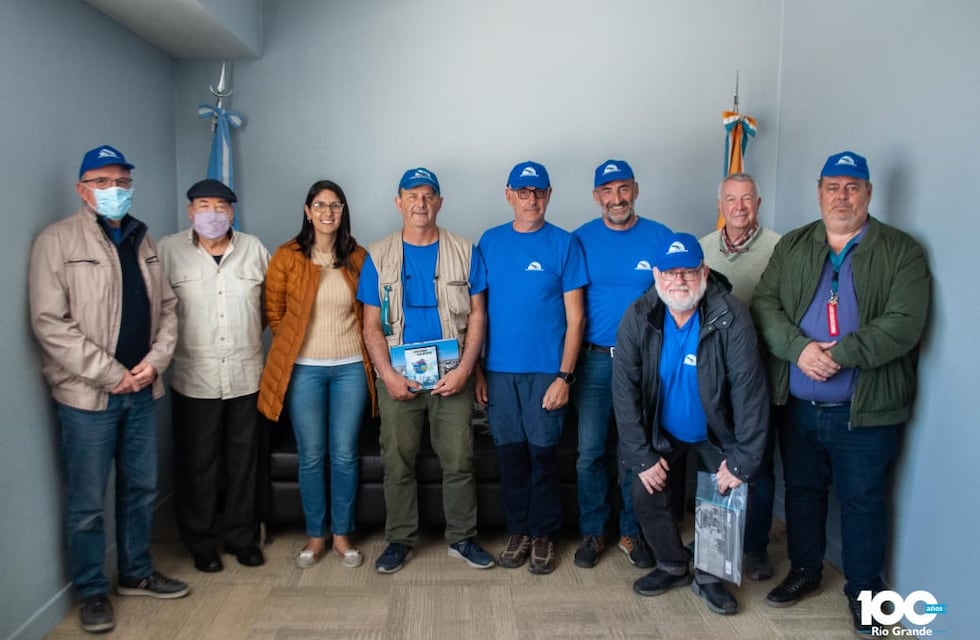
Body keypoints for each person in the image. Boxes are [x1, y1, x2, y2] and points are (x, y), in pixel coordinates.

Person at [751, 151, 930, 636]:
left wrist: (841, 353)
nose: (842, 196)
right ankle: (805, 571)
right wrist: (799, 349)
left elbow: (905, 323)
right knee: (803, 493)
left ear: (868, 193)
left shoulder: (901, 250)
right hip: (800, 404)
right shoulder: (794, 245)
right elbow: (766, 304)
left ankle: (866, 595)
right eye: (833, 186)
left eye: (853, 187)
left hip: (866, 410)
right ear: (819, 191)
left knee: (864, 500)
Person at [28, 145, 187, 634]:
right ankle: (92, 589)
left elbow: (167, 309)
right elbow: (50, 323)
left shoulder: (144, 239)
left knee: (141, 489)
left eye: (121, 181)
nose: (113, 190)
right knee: (87, 502)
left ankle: (136, 572)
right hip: (87, 398)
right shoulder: (56, 241)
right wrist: (110, 372)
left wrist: (153, 365)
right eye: (101, 182)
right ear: (82, 189)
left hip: (141, 389)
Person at [614, 232, 768, 616]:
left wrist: (741, 461)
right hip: (662, 430)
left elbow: (751, 392)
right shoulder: (639, 315)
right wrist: (641, 455)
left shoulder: (731, 314)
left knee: (725, 495)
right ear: (656, 274)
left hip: (717, 431)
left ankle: (710, 578)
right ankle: (672, 565)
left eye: (687, 271)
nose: (678, 281)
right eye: (670, 272)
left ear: (704, 270)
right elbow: (624, 391)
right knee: (643, 492)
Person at [357, 167, 493, 574]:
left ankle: (463, 538)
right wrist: (387, 374)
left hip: (453, 373)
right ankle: (399, 539)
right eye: (411, 196)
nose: (420, 203)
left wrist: (466, 369)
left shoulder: (465, 250)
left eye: (428, 195)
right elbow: (369, 325)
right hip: (399, 374)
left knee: (459, 460)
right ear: (398, 203)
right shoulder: (377, 255)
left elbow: (479, 316)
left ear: (439, 202)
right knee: (397, 462)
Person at [477, 161, 588, 575]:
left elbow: (576, 319)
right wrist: (478, 371)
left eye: (538, 191)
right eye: (523, 192)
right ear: (509, 195)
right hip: (500, 371)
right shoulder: (489, 242)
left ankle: (543, 534)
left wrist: (564, 376)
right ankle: (519, 531)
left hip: (546, 371)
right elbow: (478, 314)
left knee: (543, 457)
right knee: (510, 458)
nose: (531, 199)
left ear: (549, 194)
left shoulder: (564, 244)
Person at [257, 180, 374, 570]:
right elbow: (274, 313)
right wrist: (297, 346)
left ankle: (342, 535)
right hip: (304, 369)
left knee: (343, 455)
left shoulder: (357, 256)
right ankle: (315, 536)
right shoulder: (287, 256)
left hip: (350, 369)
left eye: (336, 206)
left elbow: (369, 312)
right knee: (311, 456)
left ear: (343, 211)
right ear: (308, 211)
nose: (328, 213)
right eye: (320, 205)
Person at [157, 179, 270, 573]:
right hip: (194, 377)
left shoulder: (254, 249)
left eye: (221, 207)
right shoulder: (168, 251)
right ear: (190, 211)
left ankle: (242, 538)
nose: (212, 214)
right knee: (198, 463)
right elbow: (159, 310)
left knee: (244, 463)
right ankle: (201, 542)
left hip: (245, 375)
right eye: (204, 206)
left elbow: (269, 308)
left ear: (232, 213)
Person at [570, 159, 671, 569]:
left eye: (623, 189)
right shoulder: (578, 240)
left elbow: (678, 301)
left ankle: (631, 532)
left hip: (643, 365)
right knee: (589, 453)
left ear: (636, 190)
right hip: (593, 361)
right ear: (597, 197)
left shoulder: (660, 237)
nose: (617, 198)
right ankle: (594, 532)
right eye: (608, 191)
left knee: (635, 452)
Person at [699, 172, 782, 581]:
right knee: (713, 460)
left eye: (747, 199)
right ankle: (712, 540)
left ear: (758, 203)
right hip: (713, 376)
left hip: (759, 372)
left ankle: (754, 548)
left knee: (757, 465)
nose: (739, 207)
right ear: (720, 205)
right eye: (731, 199)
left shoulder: (779, 248)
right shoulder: (702, 250)